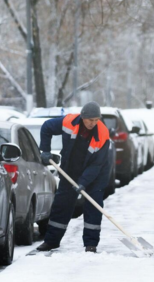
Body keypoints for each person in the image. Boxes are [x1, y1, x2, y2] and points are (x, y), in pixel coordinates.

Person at [36, 102, 112, 253]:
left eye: (97, 120)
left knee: (93, 206)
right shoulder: (69, 122)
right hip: (70, 170)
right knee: (61, 204)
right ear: (83, 117)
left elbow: (96, 165)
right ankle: (51, 241)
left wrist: (83, 182)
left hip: (96, 175)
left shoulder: (102, 135)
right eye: (91, 120)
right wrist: (45, 150)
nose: (93, 123)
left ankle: (91, 244)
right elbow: (46, 127)